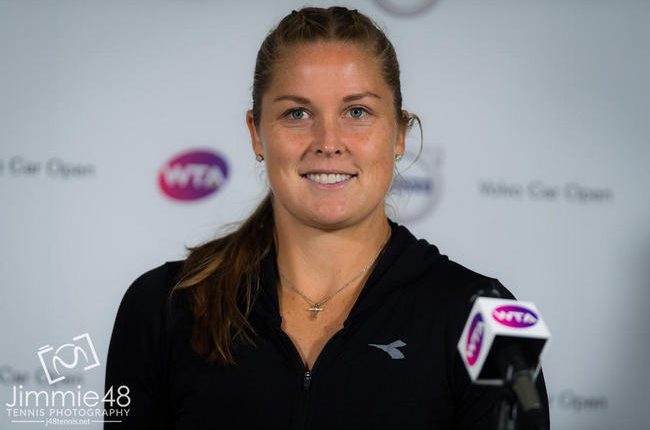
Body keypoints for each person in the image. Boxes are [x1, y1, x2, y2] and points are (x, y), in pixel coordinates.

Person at [104, 6, 549, 429]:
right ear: (257, 134)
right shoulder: (162, 305)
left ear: (399, 133)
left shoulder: (486, 317)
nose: (328, 141)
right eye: (297, 113)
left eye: (357, 112)